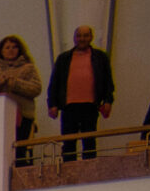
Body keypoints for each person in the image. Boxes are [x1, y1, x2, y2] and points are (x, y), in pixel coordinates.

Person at [46, 24, 114, 160]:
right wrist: (52, 104)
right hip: (69, 107)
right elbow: (54, 83)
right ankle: (68, 170)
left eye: (85, 35)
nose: (82, 39)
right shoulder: (63, 58)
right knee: (68, 142)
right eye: (79, 36)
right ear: (74, 38)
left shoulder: (100, 57)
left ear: (91, 37)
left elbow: (108, 81)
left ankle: (89, 169)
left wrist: (108, 101)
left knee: (89, 141)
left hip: (90, 106)